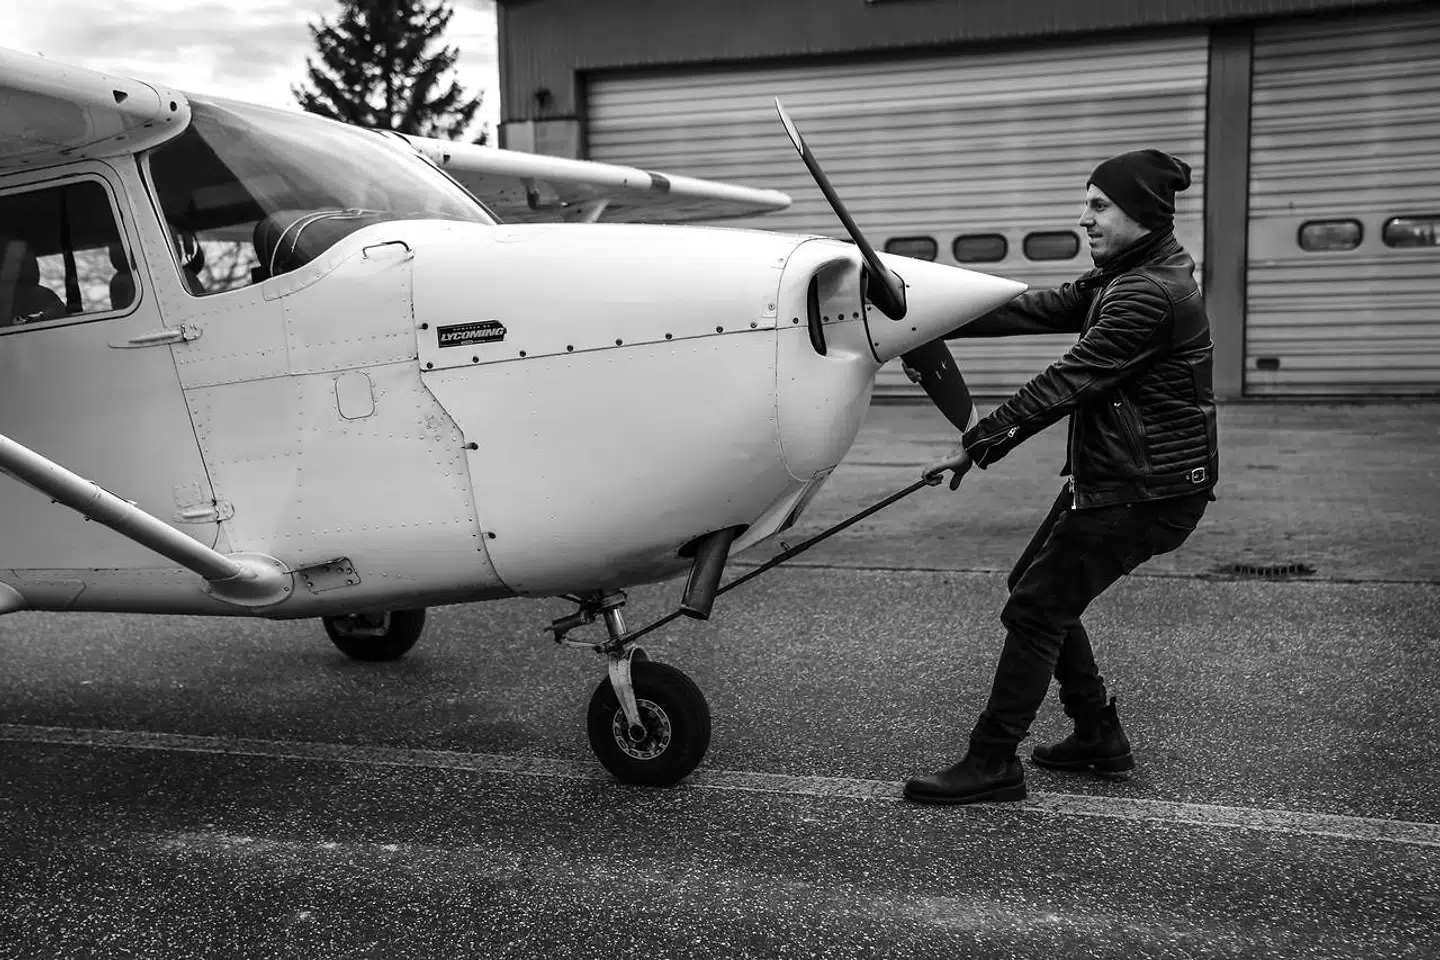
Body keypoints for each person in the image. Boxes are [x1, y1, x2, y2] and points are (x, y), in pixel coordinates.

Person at [902, 149, 1218, 805]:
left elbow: (1070, 381)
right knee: (1038, 592)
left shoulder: (1148, 293)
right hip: (1124, 479)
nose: (1085, 218)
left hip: (1145, 491)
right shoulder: (1128, 274)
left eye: (1099, 205)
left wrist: (977, 443)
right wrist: (915, 314)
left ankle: (992, 761)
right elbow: (1030, 309)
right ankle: (1097, 735)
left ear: (1143, 212)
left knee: (1037, 607)